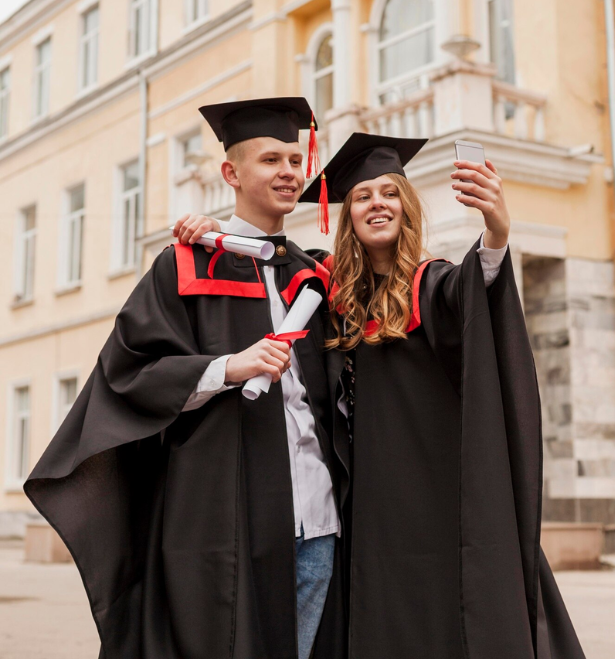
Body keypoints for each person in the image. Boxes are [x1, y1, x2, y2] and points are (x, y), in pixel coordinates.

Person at [25, 98, 345, 659]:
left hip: (316, 519)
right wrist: (226, 367)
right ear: (231, 173)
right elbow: (129, 374)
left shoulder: (313, 274)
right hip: (226, 519)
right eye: (271, 159)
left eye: (295, 160)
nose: (289, 172)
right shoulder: (186, 265)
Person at [296, 132, 586, 659]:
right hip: (370, 500)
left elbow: (481, 282)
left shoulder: (435, 284)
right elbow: (270, 260)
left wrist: (496, 227)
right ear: (349, 216)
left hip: (437, 489)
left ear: (405, 208)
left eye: (388, 193)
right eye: (362, 196)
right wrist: (211, 232)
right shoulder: (333, 297)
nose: (376, 203)